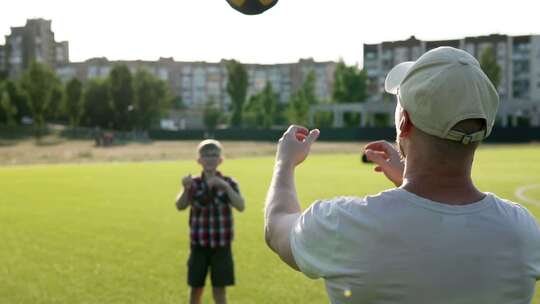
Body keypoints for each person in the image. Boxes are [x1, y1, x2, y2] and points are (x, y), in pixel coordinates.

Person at [264, 47, 540, 303]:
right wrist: (407, 179)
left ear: (404, 122)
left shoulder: (345, 224)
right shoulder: (523, 233)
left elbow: (277, 227)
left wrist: (284, 162)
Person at [176, 139, 245, 304]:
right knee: (196, 289)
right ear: (199, 160)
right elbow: (180, 205)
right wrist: (185, 189)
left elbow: (241, 206)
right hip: (199, 246)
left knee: (219, 290)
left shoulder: (229, 182)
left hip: (221, 246)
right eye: (206, 155)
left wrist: (225, 188)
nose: (210, 158)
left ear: (220, 160)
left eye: (214, 155)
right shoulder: (193, 183)